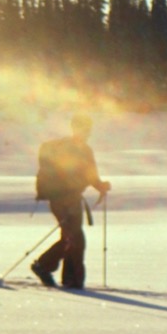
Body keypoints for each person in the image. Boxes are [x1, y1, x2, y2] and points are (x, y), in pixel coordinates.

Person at [31, 113, 111, 290]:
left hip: (70, 198)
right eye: (83, 128)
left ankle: (68, 278)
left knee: (71, 237)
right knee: (74, 237)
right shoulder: (69, 148)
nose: (87, 132)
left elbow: (90, 176)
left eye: (88, 129)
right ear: (75, 128)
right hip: (63, 199)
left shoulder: (84, 149)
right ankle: (46, 267)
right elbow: (67, 175)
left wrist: (101, 185)